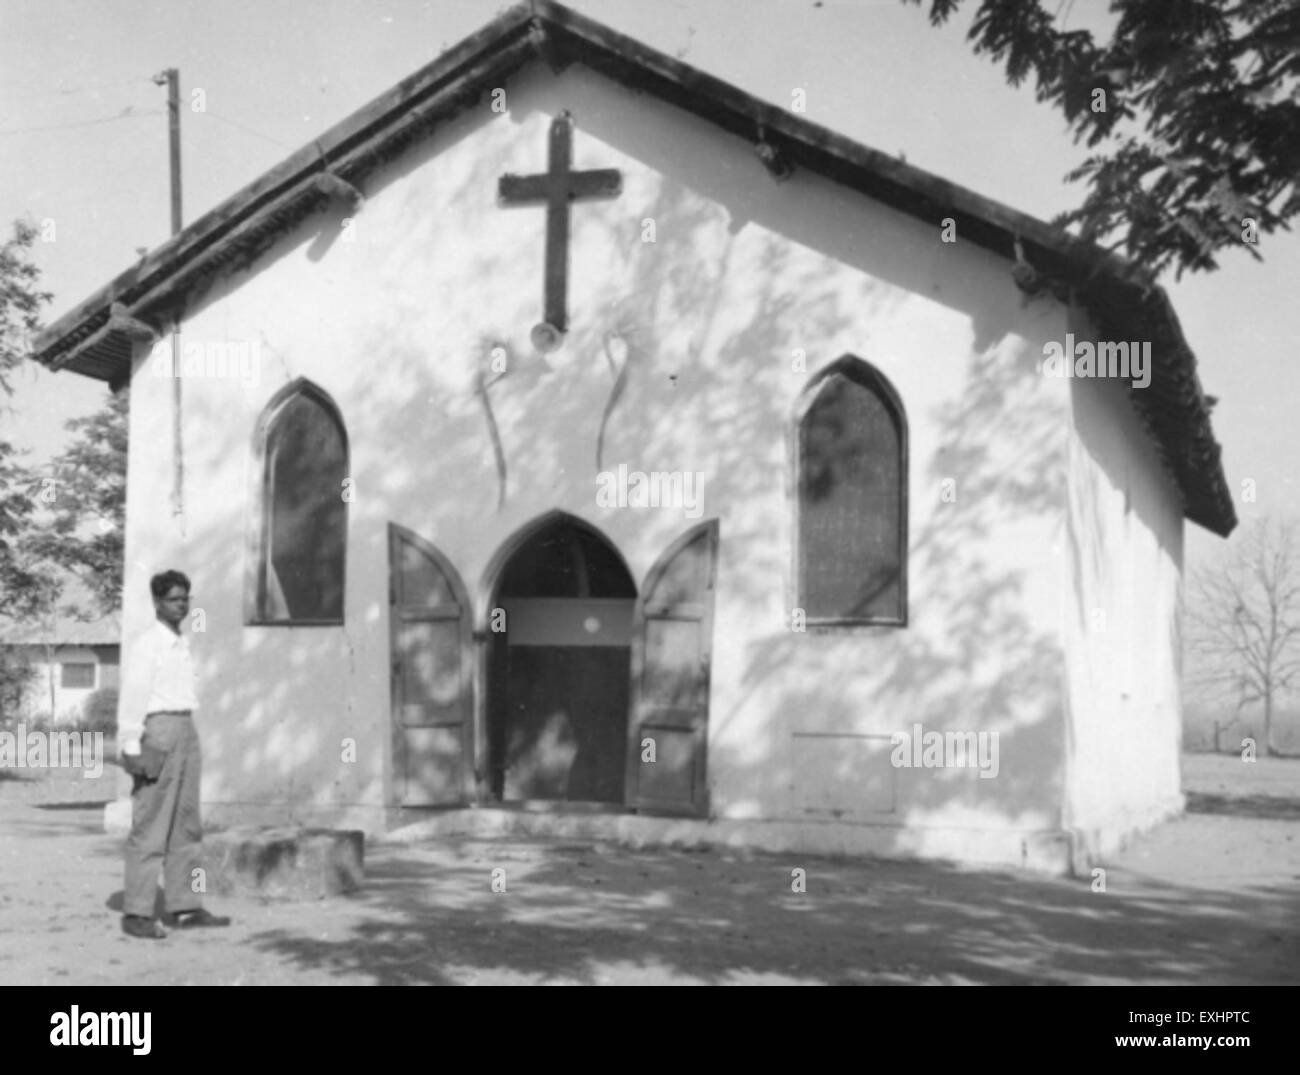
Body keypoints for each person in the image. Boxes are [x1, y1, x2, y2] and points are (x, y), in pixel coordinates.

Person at [119, 569, 230, 939]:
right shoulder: (148, 645)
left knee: (187, 825)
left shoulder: (180, 643)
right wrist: (133, 746)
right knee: (151, 824)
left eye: (185, 599)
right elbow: (133, 699)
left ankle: (186, 906)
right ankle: (136, 912)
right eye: (173, 599)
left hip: (186, 729)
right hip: (159, 732)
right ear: (156, 602)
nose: (181, 605)